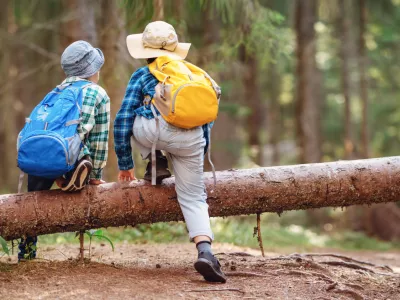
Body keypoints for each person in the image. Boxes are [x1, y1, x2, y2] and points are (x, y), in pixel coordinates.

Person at [114, 21, 226, 283]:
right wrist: (199, 150)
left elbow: (122, 121)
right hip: (193, 139)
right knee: (194, 197)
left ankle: (155, 160)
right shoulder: (194, 74)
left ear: (145, 51)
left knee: (137, 117)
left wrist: (125, 162)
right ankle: (206, 251)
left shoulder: (142, 76)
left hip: (154, 134)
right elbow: (207, 117)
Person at [17, 41, 110, 261]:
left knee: (34, 199)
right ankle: (73, 173)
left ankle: (27, 252)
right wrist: (96, 175)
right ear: (93, 70)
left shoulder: (55, 92)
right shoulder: (98, 93)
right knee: (81, 150)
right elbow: (99, 139)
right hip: (71, 154)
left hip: (38, 155)